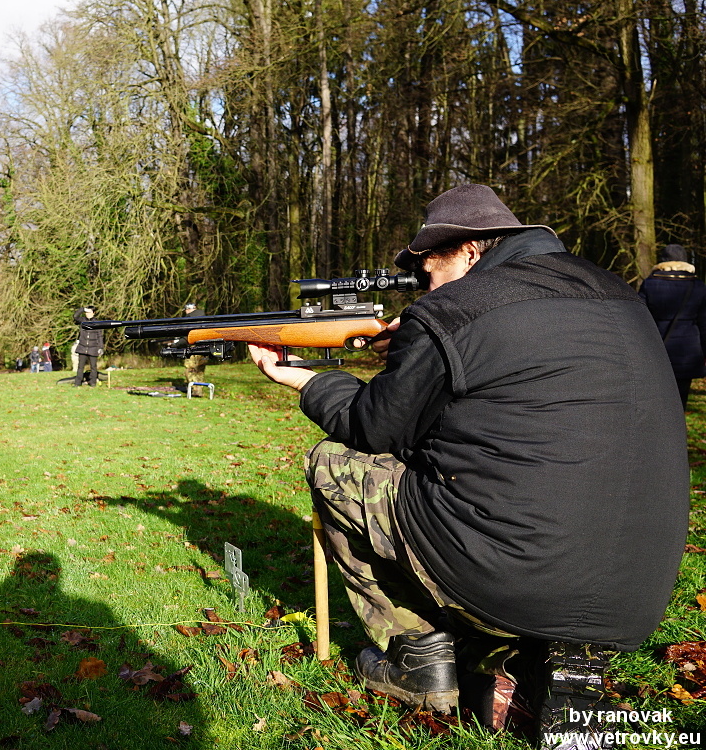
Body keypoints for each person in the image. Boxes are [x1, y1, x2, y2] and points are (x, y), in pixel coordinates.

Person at [249, 184, 688, 739]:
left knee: (334, 462)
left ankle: (419, 657)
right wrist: (417, 346)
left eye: (428, 272)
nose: (425, 287)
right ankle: (543, 658)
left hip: (514, 576)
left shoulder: (455, 309)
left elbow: (373, 428)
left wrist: (305, 380)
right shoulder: (616, 292)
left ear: (469, 250)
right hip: (634, 595)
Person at [639, 244, 706, 410]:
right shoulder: (697, 285)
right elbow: (704, 324)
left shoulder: (650, 284)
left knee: (659, 398)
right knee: (681, 399)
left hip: (658, 350)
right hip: (688, 352)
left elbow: (640, 320)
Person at [72, 307, 104, 386]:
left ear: (93, 313)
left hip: (93, 348)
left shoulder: (97, 323)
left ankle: (93, 382)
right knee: (80, 367)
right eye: (86, 312)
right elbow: (75, 316)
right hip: (82, 347)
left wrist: (101, 347)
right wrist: (82, 309)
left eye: (89, 312)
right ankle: (78, 383)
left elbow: (100, 336)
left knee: (93, 367)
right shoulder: (82, 320)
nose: (87, 314)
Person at [179, 303, 208, 384]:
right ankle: (199, 387)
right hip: (205, 347)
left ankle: (192, 388)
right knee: (200, 369)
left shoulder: (188, 318)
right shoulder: (204, 317)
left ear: (188, 309)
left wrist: (177, 344)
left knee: (190, 368)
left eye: (185, 310)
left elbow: (186, 335)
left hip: (192, 347)